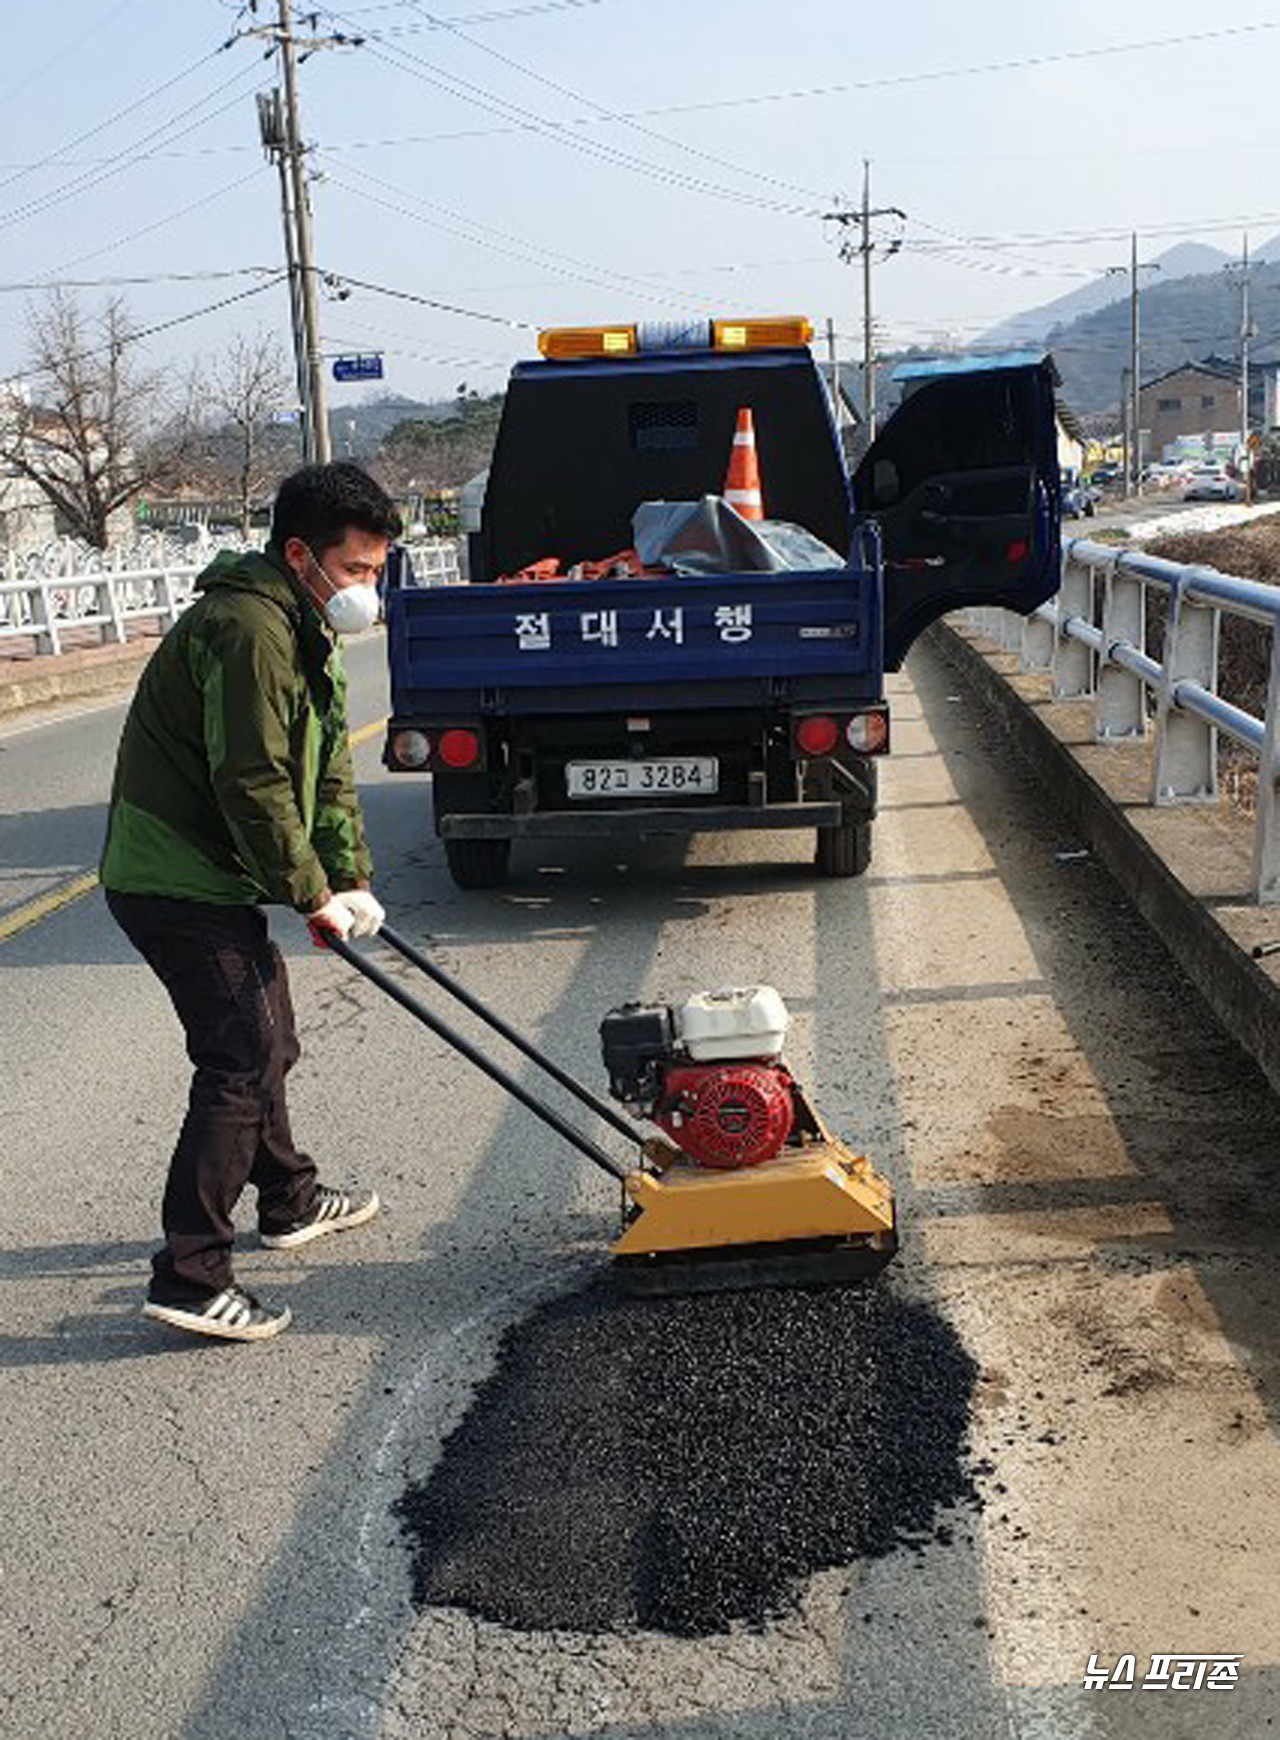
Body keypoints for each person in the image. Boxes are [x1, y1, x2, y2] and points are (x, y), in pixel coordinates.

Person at [101, 462, 403, 1343]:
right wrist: (309, 892)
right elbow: (255, 779)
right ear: (300, 554)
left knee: (273, 1039)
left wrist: (350, 879)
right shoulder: (247, 628)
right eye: (355, 570)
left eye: (378, 573)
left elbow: (329, 771)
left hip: (213, 874)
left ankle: (290, 1200)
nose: (365, 590)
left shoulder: (302, 627)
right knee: (239, 1055)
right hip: (172, 877)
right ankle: (192, 1276)